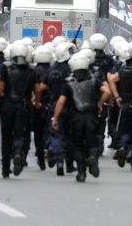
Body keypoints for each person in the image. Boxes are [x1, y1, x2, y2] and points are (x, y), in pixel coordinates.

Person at [52, 53, 110, 182]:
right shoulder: (95, 80)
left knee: (78, 145)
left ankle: (81, 172)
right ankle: (93, 157)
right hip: (92, 116)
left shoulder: (68, 83)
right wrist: (99, 104)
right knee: (92, 142)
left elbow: (61, 102)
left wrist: (55, 118)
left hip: (76, 118)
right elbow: (107, 91)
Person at [0, 42, 39, 178]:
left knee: (6, 136)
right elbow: (37, 89)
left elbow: (0, 87)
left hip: (7, 106)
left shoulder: (5, 68)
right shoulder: (31, 70)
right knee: (19, 132)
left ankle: (5, 168)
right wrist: (36, 102)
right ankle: (17, 152)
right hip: (23, 105)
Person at [39, 41, 75, 175]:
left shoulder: (52, 69)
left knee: (56, 134)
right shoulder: (71, 69)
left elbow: (42, 86)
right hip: (70, 106)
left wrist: (52, 89)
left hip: (54, 105)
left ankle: (59, 160)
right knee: (69, 135)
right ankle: (70, 164)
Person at [108, 43, 132, 171]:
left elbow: (111, 79)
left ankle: (122, 147)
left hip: (125, 104)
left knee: (125, 131)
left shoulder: (122, 69)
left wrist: (117, 97)